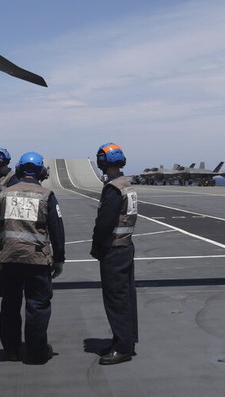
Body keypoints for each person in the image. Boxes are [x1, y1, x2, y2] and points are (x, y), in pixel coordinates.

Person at [0, 152, 65, 364]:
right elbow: (57, 230)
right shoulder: (47, 195)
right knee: (38, 306)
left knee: (10, 305)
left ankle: (11, 350)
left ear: (19, 169)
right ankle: (36, 352)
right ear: (41, 171)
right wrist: (59, 258)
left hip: (8, 259)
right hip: (36, 260)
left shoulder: (4, 194)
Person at [91, 143, 139, 366]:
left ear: (104, 162)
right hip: (126, 246)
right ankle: (125, 340)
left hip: (113, 249)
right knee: (126, 297)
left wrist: (97, 247)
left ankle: (122, 348)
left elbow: (104, 224)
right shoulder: (127, 184)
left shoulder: (112, 189)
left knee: (116, 300)